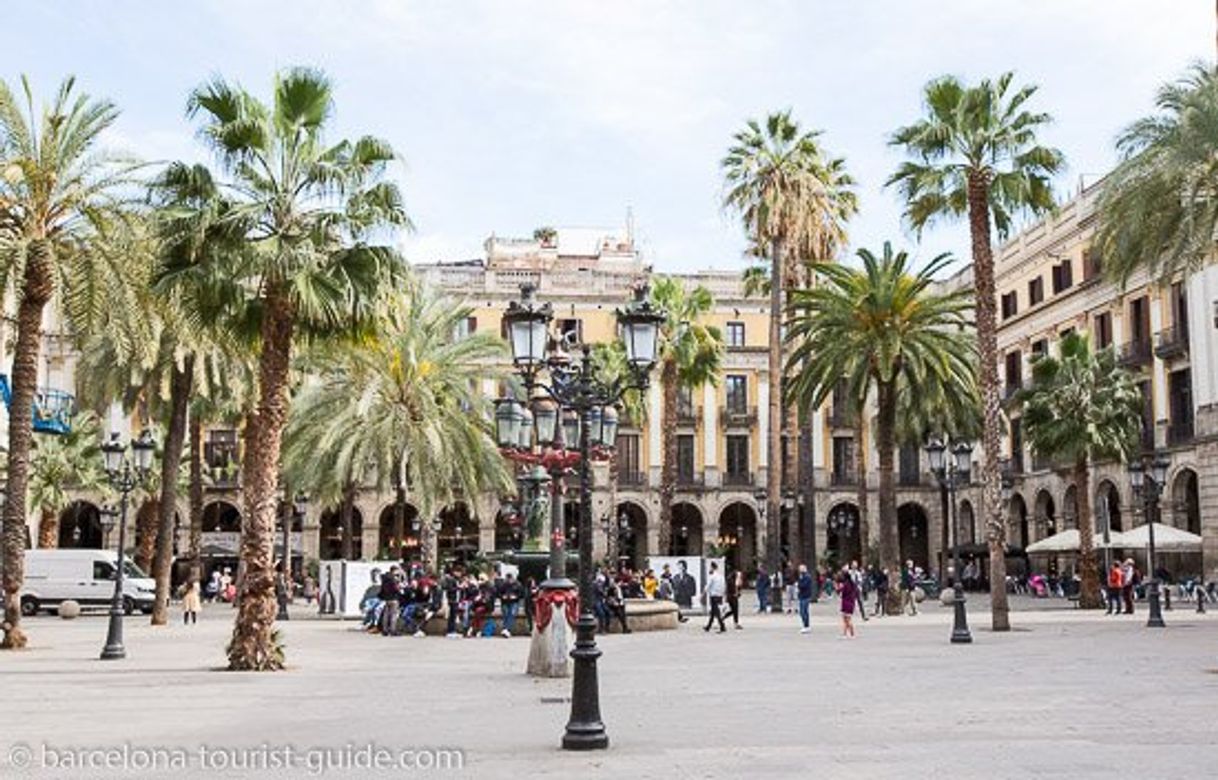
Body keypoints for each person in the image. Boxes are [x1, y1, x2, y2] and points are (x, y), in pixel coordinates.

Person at [703, 562, 727, 633]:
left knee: (716, 612)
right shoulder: (721, 576)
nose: (709, 569)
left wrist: (702, 595)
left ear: (712, 568)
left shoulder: (712, 576)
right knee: (713, 612)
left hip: (713, 596)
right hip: (720, 596)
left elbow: (707, 586)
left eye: (710, 567)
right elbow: (724, 586)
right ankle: (708, 626)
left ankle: (722, 626)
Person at [499, 572, 524, 637]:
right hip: (505, 602)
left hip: (514, 602)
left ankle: (506, 629)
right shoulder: (503, 585)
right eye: (507, 579)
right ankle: (506, 629)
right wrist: (502, 596)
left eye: (510, 579)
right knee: (506, 614)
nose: (509, 580)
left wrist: (516, 597)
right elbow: (499, 593)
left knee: (512, 614)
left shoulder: (518, 585)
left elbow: (521, 594)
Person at [837, 566, 858, 639]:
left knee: (846, 620)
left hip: (846, 602)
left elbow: (842, 593)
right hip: (850, 602)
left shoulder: (845, 584)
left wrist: (839, 589)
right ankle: (846, 634)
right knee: (847, 619)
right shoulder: (852, 584)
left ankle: (851, 634)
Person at [797, 564, 814, 633]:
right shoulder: (802, 576)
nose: (800, 570)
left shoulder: (807, 577)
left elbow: (803, 586)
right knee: (802, 611)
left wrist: (799, 584)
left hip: (806, 596)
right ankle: (805, 625)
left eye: (801, 569)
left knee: (804, 611)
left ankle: (806, 626)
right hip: (802, 596)